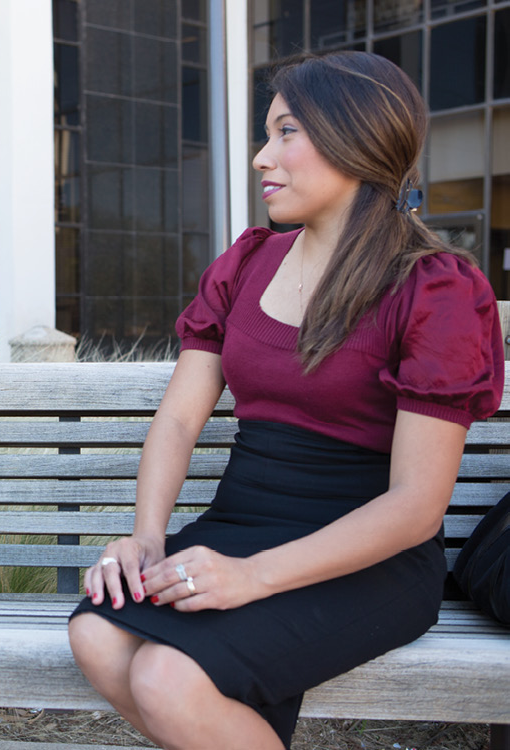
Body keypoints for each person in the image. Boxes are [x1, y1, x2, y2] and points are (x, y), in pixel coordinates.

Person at [67, 51, 504, 750]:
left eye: (285, 133)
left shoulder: (433, 289)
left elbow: (415, 504)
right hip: (239, 525)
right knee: (95, 633)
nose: (260, 158)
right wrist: (146, 536)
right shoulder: (244, 264)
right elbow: (180, 417)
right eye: (266, 135)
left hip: (370, 555)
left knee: (166, 678)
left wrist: (252, 579)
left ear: (354, 139)